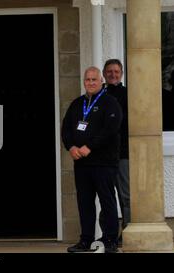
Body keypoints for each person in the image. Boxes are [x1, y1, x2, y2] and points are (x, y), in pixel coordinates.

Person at [61, 67, 122, 253]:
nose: (90, 82)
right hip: (82, 164)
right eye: (87, 79)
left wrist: (90, 146)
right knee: (84, 203)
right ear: (84, 81)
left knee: (107, 201)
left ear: (101, 80)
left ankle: (110, 240)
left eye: (94, 79)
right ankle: (85, 240)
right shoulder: (77, 103)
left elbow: (110, 129)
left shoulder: (110, 102)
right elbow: (66, 129)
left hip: (104, 163)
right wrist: (71, 147)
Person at [101, 59, 130, 246]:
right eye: (109, 71)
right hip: (101, 155)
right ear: (104, 73)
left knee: (125, 197)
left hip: (122, 154)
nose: (113, 74)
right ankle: (108, 236)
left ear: (121, 74)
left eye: (116, 71)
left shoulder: (128, 94)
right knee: (105, 196)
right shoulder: (97, 94)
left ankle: (126, 235)